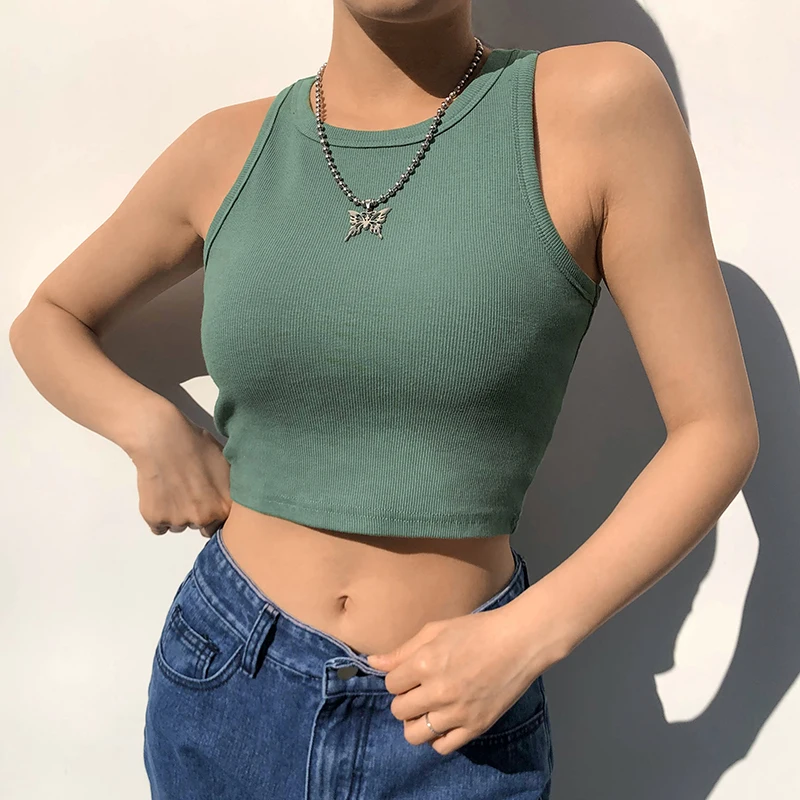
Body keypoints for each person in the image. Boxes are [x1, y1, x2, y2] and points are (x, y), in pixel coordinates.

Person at [8, 2, 759, 798]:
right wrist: (150, 428)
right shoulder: (226, 149)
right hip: (227, 681)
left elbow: (716, 431)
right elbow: (47, 319)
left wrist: (527, 636)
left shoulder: (595, 106)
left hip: (456, 724)